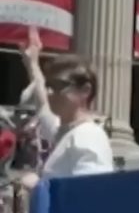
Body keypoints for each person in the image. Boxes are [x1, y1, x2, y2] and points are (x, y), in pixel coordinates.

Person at [19, 27, 114, 183]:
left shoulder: (89, 136)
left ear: (85, 91)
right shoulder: (66, 132)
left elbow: (92, 193)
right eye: (49, 85)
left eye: (58, 85)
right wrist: (32, 63)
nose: (50, 92)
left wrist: (38, 186)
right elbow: (43, 105)